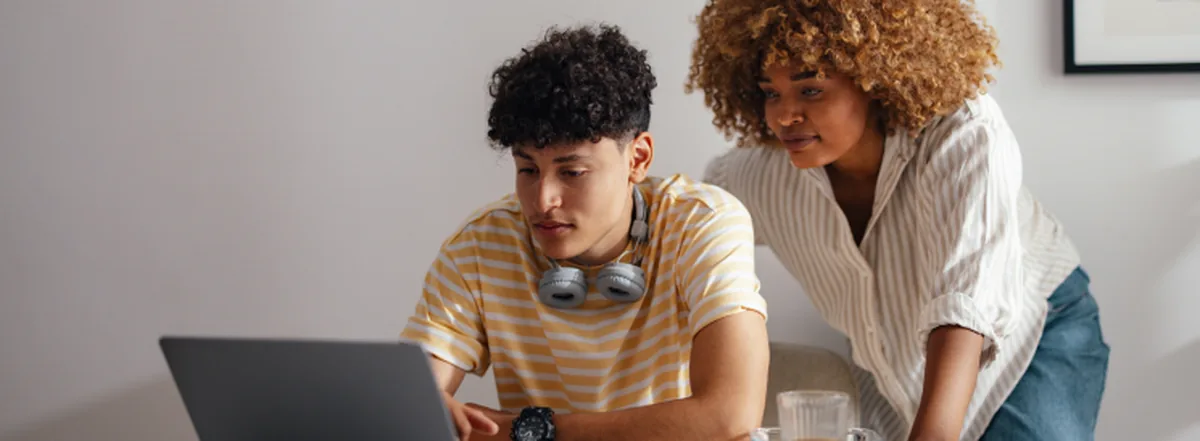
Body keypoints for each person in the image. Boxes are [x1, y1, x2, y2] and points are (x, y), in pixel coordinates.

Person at [684, 1, 1110, 440]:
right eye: (771, 93)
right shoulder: (755, 177)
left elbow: (965, 308)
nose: (784, 116)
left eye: (810, 90)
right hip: (896, 366)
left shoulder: (962, 133)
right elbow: (683, 230)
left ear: (874, 80)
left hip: (1032, 337)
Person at [399, 24, 770, 441]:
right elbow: (407, 404)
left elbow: (731, 414)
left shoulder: (701, 222)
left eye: (572, 172)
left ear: (638, 159)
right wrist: (427, 411)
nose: (543, 200)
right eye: (527, 170)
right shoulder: (480, 245)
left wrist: (526, 432)